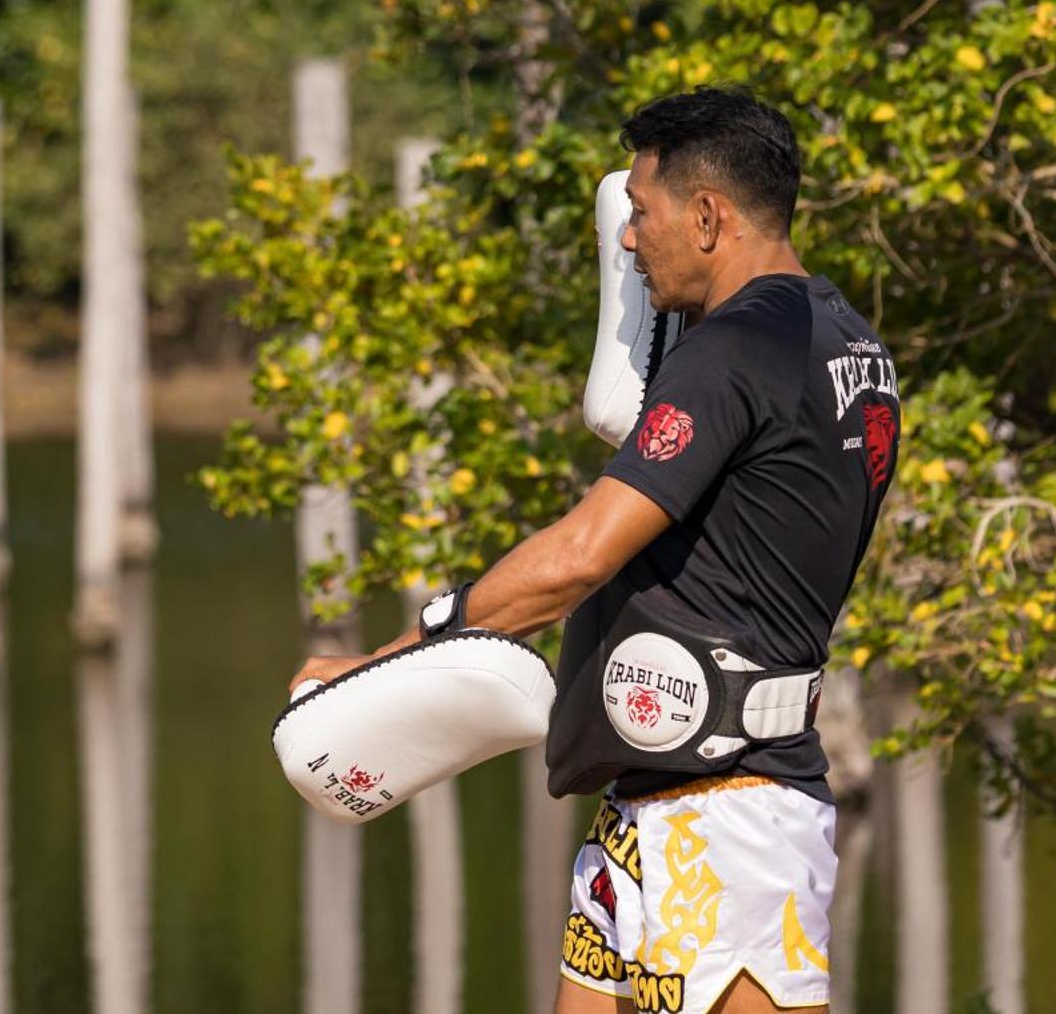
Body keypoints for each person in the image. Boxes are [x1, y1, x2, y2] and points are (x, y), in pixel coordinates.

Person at [291, 88, 901, 1014]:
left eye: (642, 212)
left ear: (708, 216)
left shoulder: (734, 351)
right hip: (655, 804)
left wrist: (389, 664)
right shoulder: (846, 340)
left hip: (729, 815)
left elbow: (579, 555)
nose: (626, 238)